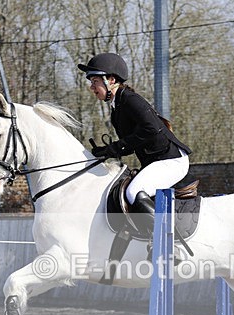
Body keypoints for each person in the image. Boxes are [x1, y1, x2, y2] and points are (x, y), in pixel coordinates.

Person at [78, 53, 192, 236]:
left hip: (171, 161)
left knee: (134, 192)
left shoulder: (130, 99)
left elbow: (151, 129)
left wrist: (115, 147)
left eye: (95, 81)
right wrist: (109, 152)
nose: (92, 87)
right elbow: (133, 142)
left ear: (111, 80)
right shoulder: (117, 108)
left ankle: (170, 239)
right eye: (91, 82)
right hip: (159, 162)